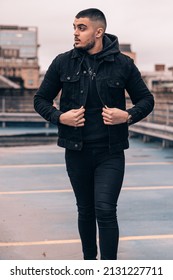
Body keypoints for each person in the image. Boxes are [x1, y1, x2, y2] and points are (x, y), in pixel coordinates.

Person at [34, 8, 154, 260]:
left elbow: (146, 99)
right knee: (86, 210)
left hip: (110, 152)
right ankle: (90, 264)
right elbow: (41, 99)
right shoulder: (62, 62)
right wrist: (59, 117)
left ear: (98, 32)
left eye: (81, 28)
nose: (75, 33)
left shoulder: (123, 64)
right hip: (76, 152)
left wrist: (128, 115)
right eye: (74, 27)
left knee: (106, 209)